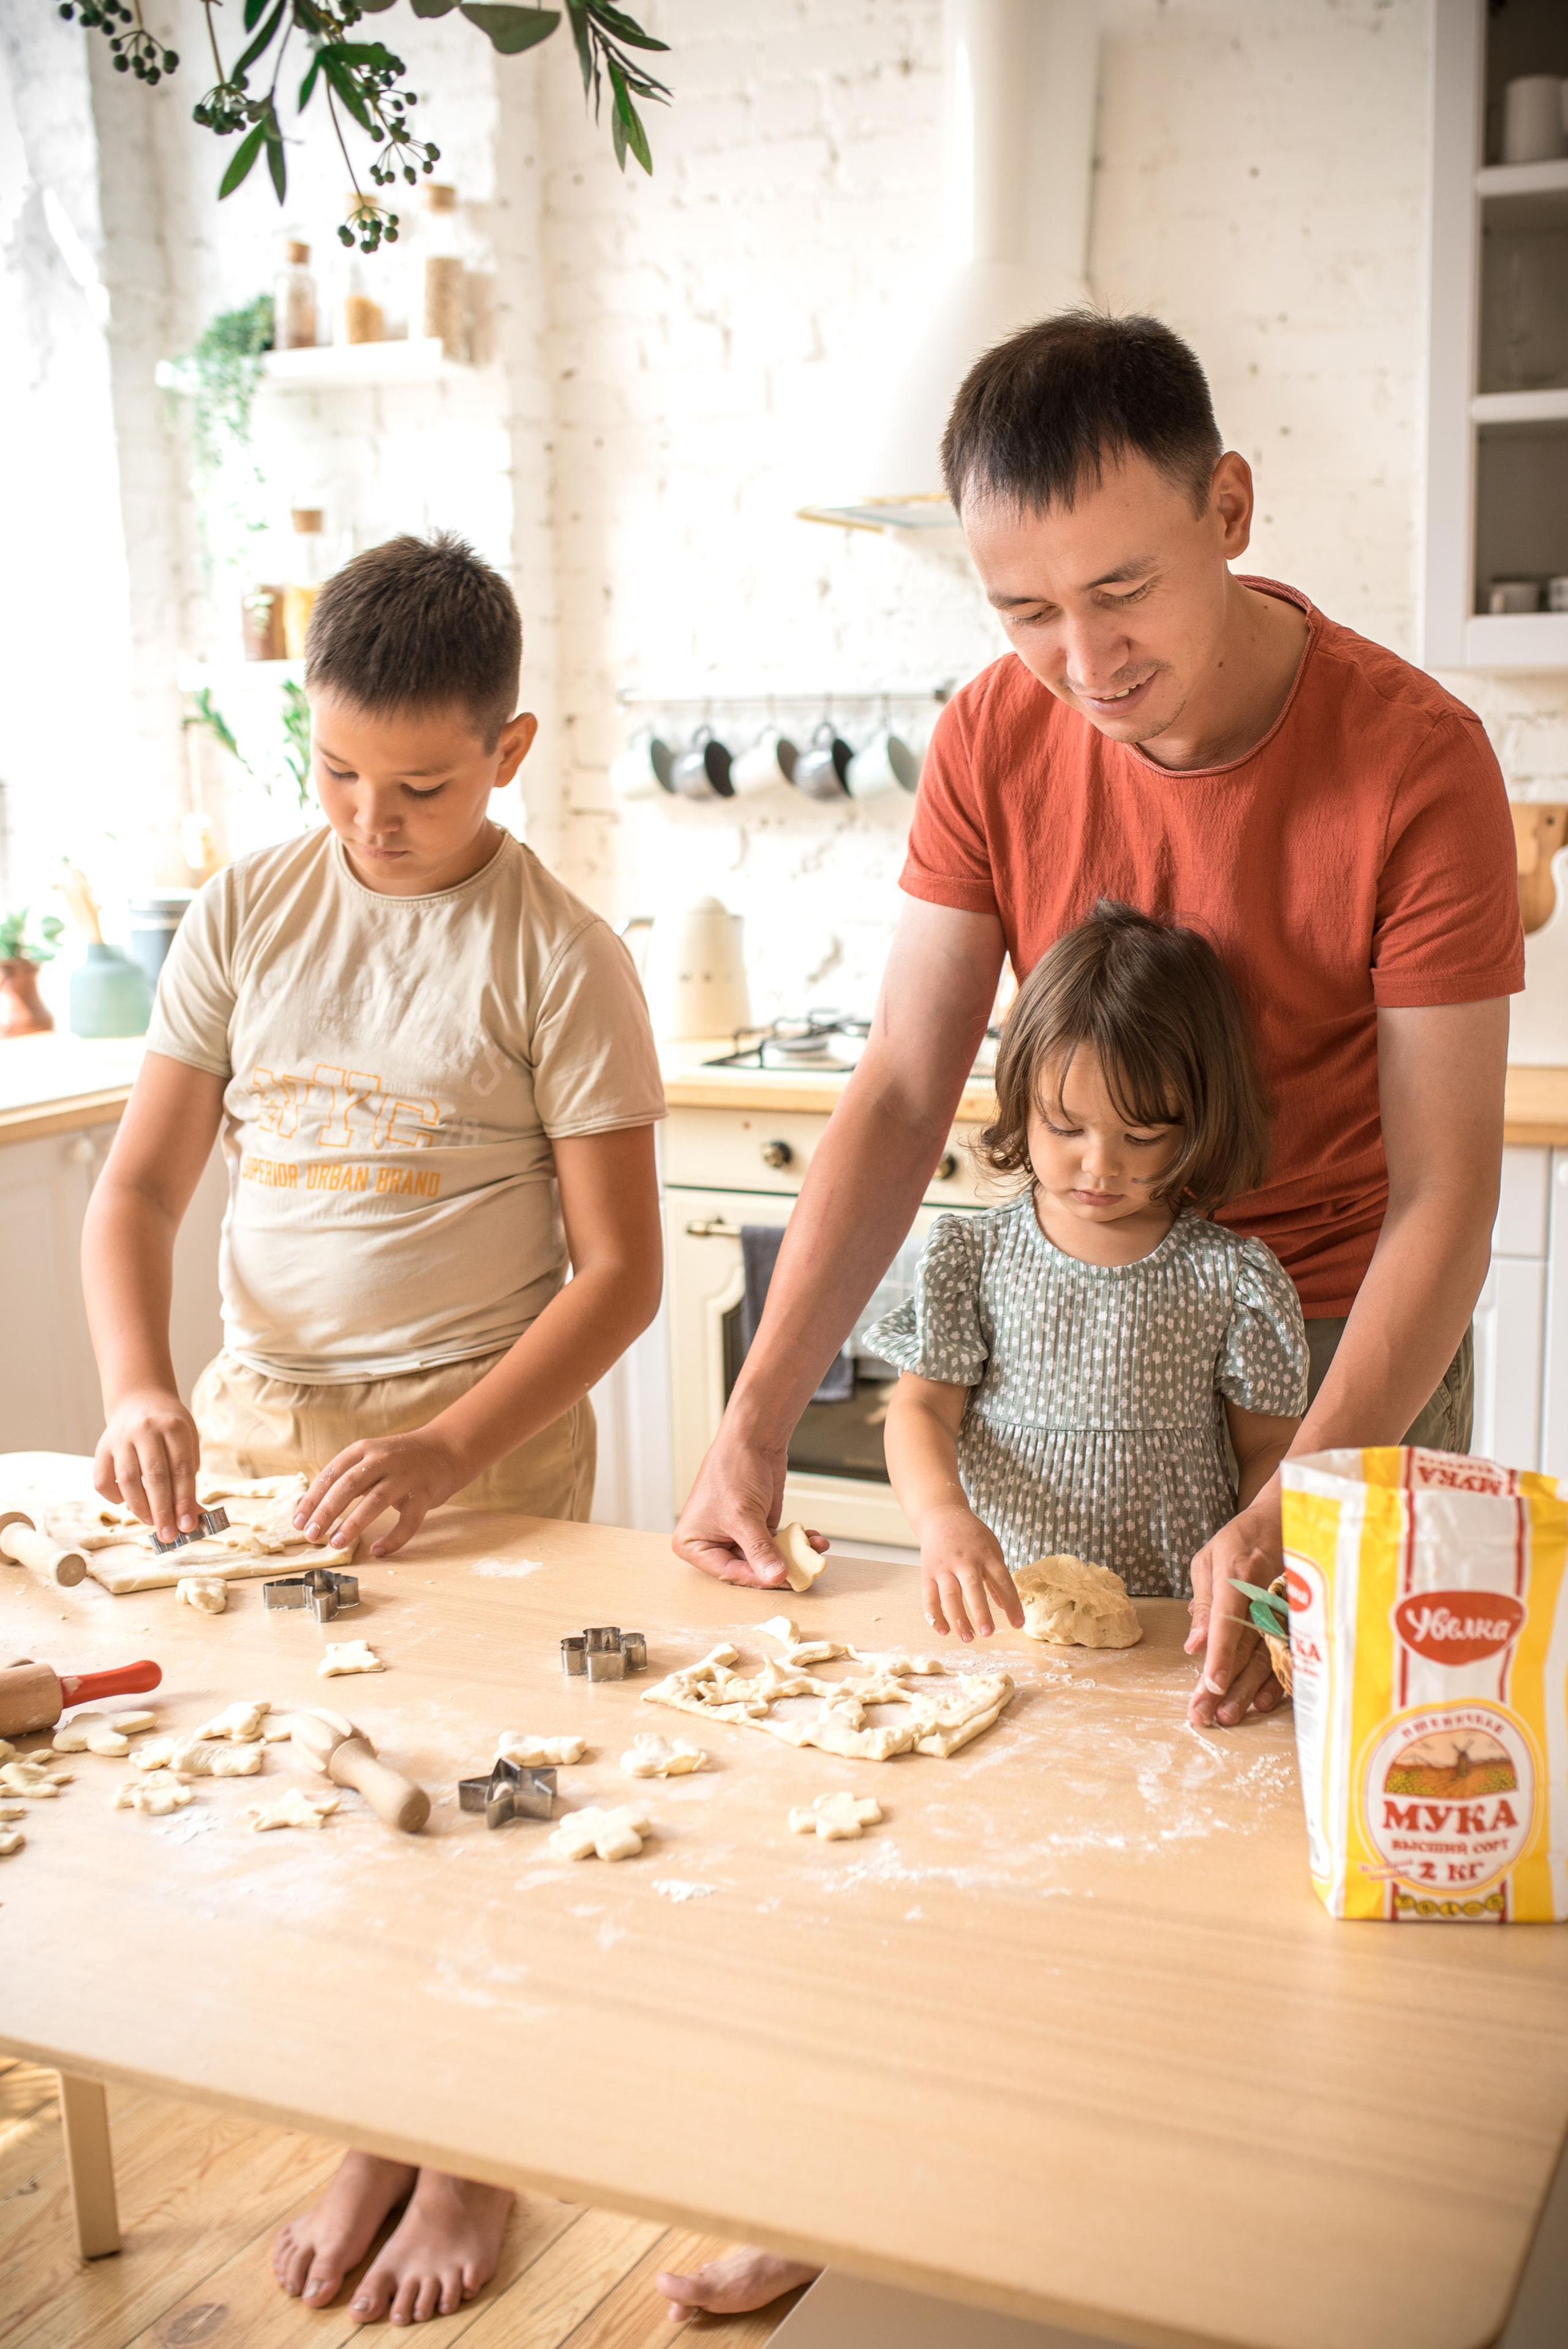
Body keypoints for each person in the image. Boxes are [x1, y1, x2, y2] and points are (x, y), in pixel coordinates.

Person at [658, 311, 1521, 2318]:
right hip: (1080, 1323)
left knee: (1274, 1817)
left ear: (1231, 509)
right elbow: (896, 1088)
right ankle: (864, 2173)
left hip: (1332, 1347)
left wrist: (1300, 1494)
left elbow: (1447, 1192)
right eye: (1028, 605)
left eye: (1123, 587)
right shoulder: (996, 728)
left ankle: (1277, 2237)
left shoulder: (1417, 760)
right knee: (1003, 1759)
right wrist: (761, 1411)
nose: (1082, 656)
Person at [82, 532, 666, 2328]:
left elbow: (624, 1274)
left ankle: (472, 2144)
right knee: (323, 1798)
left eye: (417, 784)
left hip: (479, 1458)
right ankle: (372, 2125)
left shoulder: (555, 955)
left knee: (479, 1797)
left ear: (509, 750)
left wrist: (445, 1450)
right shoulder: (252, 911)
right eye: (334, 771)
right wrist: (141, 1385)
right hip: (272, 1443)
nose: (371, 819)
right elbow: (139, 1195)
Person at [865, 901, 1307, 1641]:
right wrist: (941, 1517)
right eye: (1064, 1128)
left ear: (1198, 1121)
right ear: (1020, 1102)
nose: (1098, 1166)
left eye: (1140, 1135)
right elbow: (921, 1411)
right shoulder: (974, 1260)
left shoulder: (1232, 1279)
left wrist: (1259, 1556)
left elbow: (1267, 1445)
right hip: (1010, 1609)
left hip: (1176, 1617)